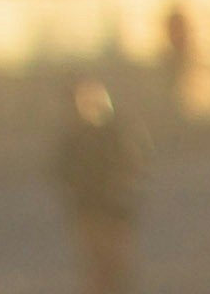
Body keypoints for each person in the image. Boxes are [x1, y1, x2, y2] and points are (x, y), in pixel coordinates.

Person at [58, 73, 150, 294]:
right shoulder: (74, 137)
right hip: (90, 209)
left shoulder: (116, 133)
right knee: (98, 265)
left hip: (114, 210)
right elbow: (61, 171)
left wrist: (123, 189)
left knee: (116, 266)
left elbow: (135, 165)